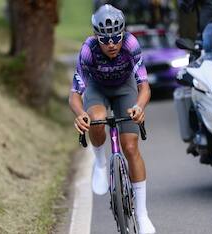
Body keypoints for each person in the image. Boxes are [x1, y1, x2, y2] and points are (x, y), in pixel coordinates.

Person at [68, 4, 156, 234]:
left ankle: (142, 214)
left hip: (124, 88)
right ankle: (99, 162)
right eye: (105, 40)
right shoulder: (87, 50)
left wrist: (139, 106)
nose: (112, 44)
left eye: (116, 38)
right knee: (96, 119)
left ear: (123, 33)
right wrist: (81, 114)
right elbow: (75, 94)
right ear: (96, 37)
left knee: (130, 146)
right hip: (97, 89)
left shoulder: (131, 44)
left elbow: (144, 86)